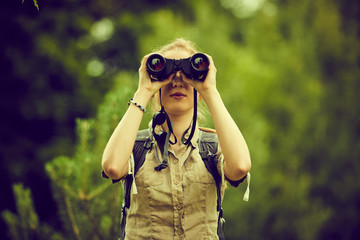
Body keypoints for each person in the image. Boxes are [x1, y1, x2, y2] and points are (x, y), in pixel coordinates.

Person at [101, 38, 251, 240]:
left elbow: (240, 167)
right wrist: (143, 91)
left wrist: (210, 91)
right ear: (157, 89)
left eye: (187, 75)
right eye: (169, 74)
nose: (177, 81)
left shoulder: (213, 148)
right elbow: (112, 167)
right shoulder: (136, 146)